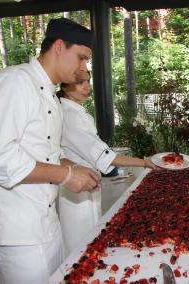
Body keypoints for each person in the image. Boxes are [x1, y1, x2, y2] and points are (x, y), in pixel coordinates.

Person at [0, 18, 102, 283]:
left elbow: (47, 154)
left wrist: (73, 167)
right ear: (58, 46)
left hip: (45, 223)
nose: (83, 68)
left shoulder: (51, 96)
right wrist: (65, 176)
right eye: (81, 58)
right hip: (15, 232)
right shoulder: (14, 81)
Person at [57, 70, 157, 253]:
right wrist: (144, 162)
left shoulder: (75, 111)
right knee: (80, 250)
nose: (87, 87)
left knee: (90, 242)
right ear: (64, 84)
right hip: (76, 195)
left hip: (87, 187)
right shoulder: (70, 116)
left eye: (88, 81)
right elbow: (105, 156)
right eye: (80, 82)